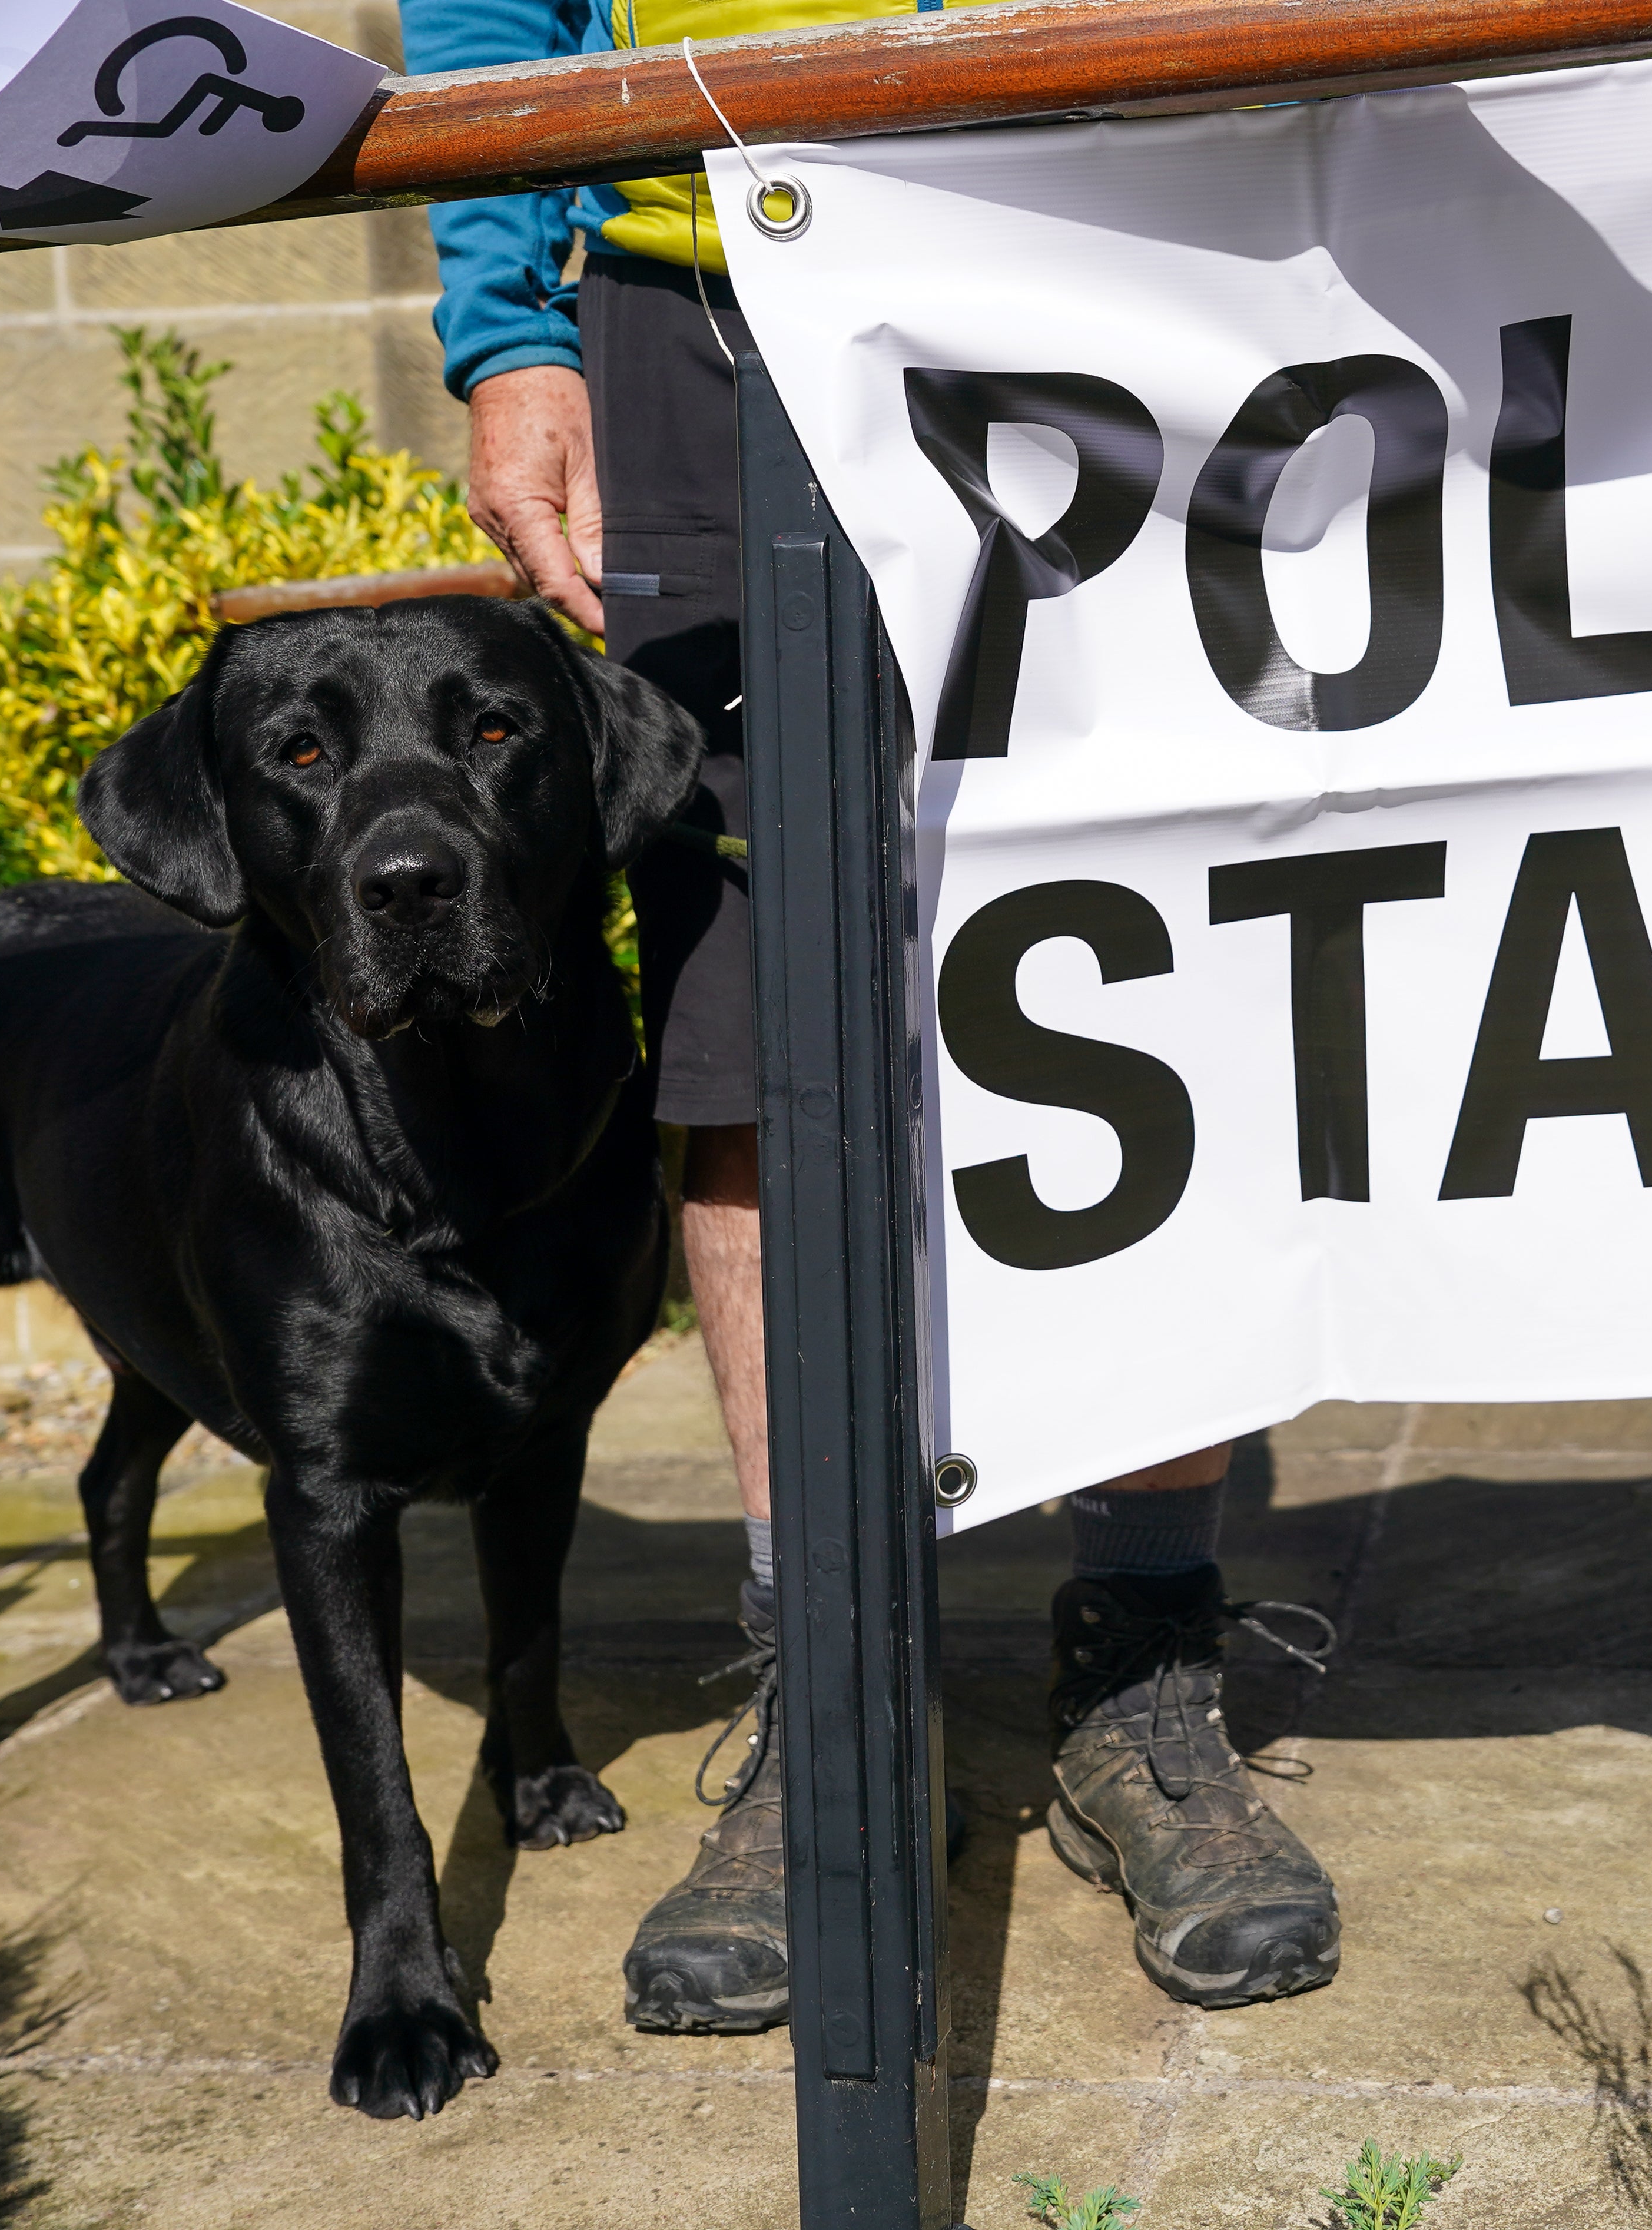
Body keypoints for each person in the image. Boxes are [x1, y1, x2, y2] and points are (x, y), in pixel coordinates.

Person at [393, 0, 1344, 2027]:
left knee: (1152, 952)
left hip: (1122, 241)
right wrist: (513, 321)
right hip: (709, 278)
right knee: (753, 1013)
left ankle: (1146, 1676)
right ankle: (830, 1698)